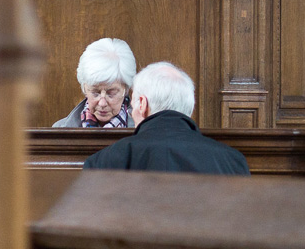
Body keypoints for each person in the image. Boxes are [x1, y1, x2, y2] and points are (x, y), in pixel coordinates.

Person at [83, 62, 250, 175]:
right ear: (189, 107)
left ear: (142, 104)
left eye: (132, 107)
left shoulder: (103, 162)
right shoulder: (233, 163)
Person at [52, 38, 137, 128]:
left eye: (111, 93)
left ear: (126, 90)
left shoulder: (142, 131)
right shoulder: (60, 130)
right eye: (95, 93)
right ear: (85, 88)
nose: (102, 103)